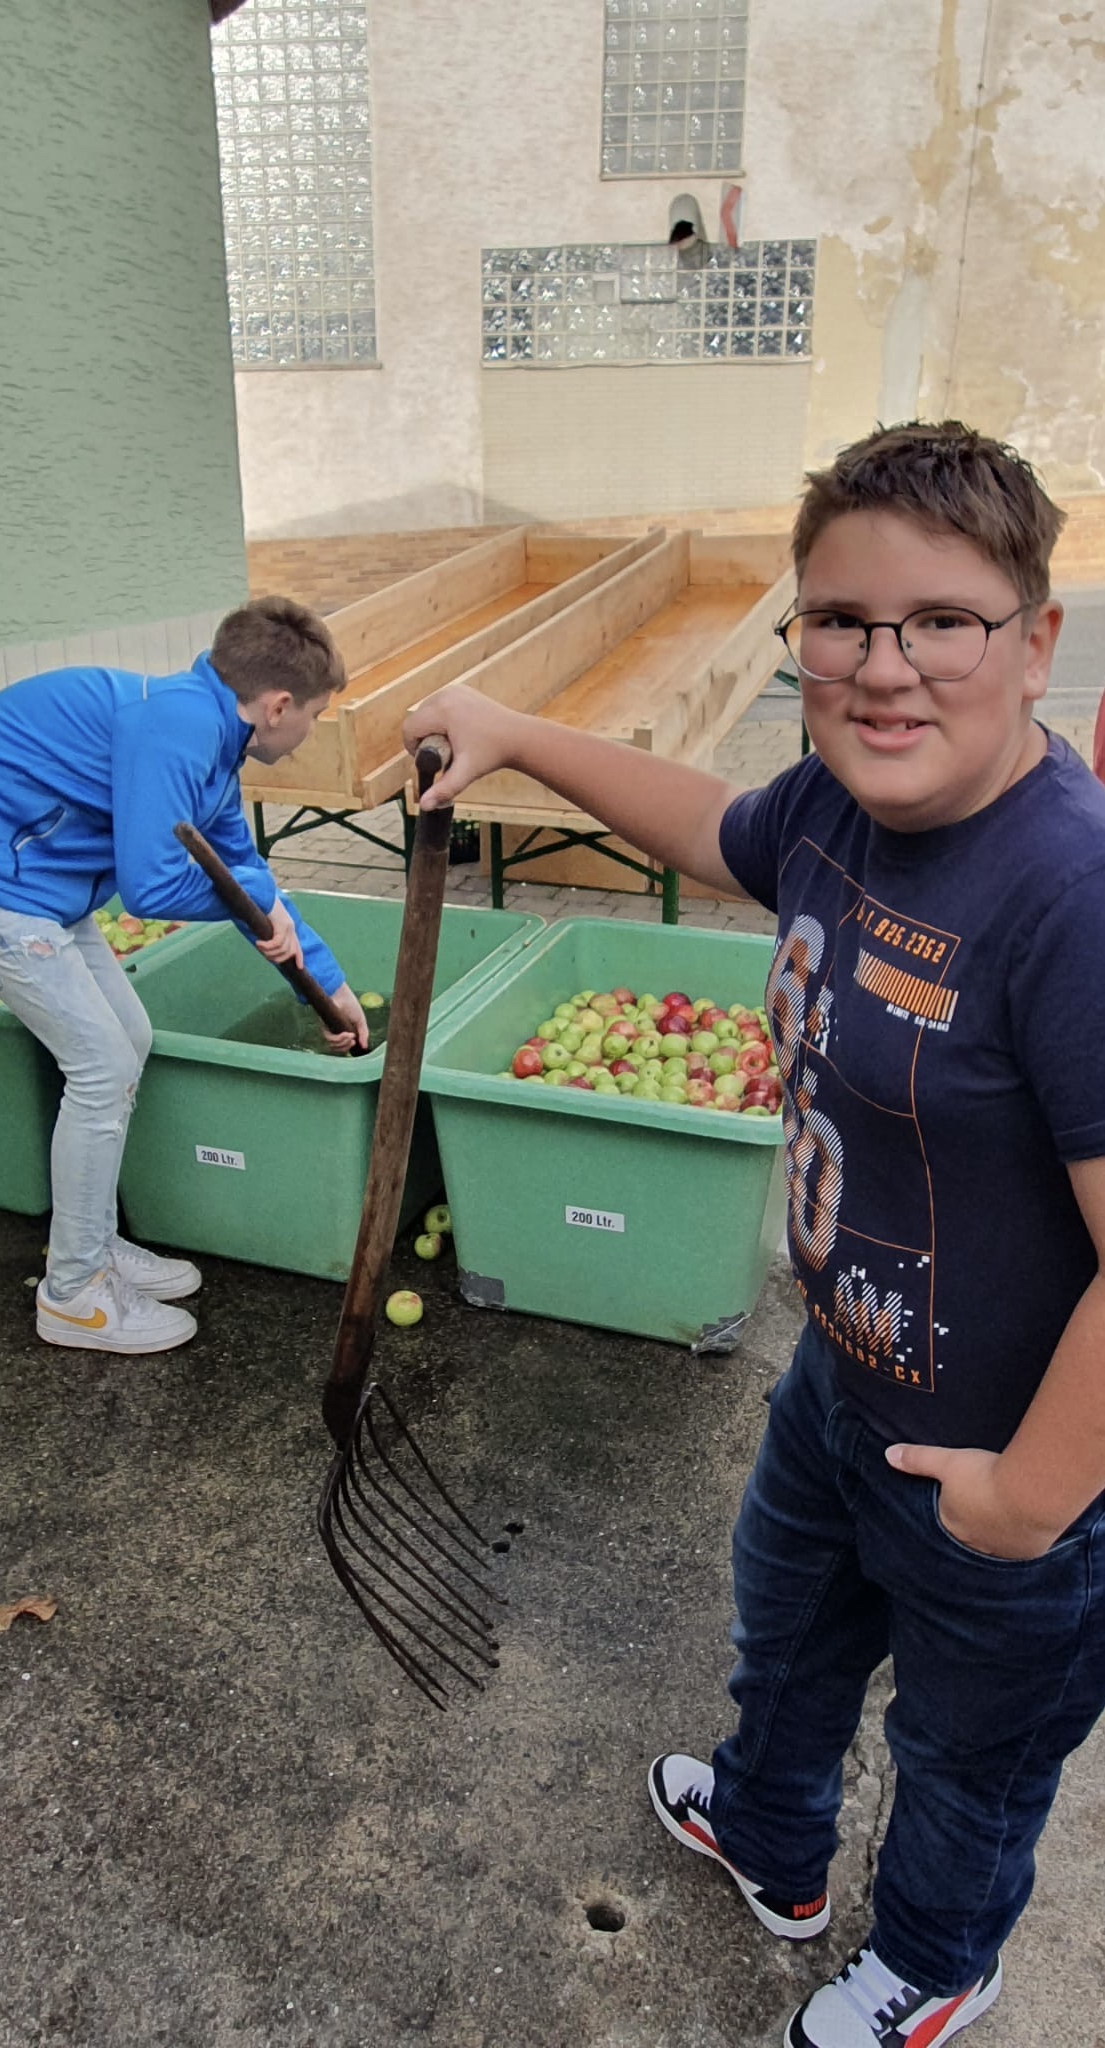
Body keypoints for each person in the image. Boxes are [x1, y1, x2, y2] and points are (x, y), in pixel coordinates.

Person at [403, 422, 1105, 2048]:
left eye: (941, 620)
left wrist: (1030, 1492)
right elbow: (711, 824)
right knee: (781, 1626)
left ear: (1036, 640)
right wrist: (511, 731)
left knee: (966, 1755)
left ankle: (936, 1958)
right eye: (838, 623)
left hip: (1002, 1463)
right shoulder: (833, 811)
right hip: (841, 1378)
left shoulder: (1063, 899)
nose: (884, 665)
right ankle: (771, 1840)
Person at [0, 596, 369, 1358]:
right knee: (102, 1064)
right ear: (278, 706)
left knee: (130, 1040)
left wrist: (329, 988)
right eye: (315, 714)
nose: (311, 729)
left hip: (38, 884)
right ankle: (73, 1295)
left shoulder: (210, 736)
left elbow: (243, 871)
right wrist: (253, 914)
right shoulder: (180, 729)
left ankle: (92, 1243)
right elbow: (151, 889)